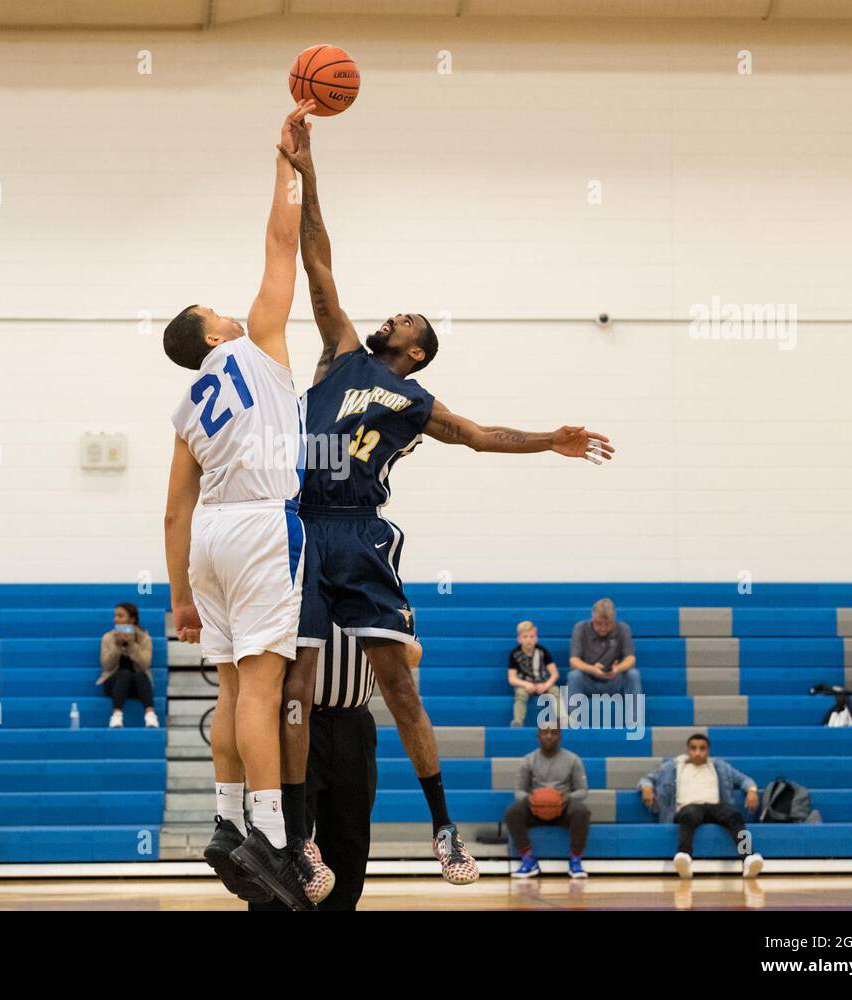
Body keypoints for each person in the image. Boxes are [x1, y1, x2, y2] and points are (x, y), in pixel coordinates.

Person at [275, 104, 614, 886]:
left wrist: (546, 439)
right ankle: (298, 840)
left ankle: (443, 831)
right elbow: (317, 259)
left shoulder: (414, 404)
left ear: (415, 350)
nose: (388, 316)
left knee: (399, 686)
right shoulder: (335, 355)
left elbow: (483, 434)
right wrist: (308, 174)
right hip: (301, 529)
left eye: (404, 319)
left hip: (359, 533)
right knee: (296, 682)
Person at [163, 101, 320, 910]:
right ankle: (272, 839)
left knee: (230, 690)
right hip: (262, 523)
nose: (226, 307)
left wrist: (181, 596)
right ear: (209, 332)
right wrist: (287, 166)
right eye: (211, 309)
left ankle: (226, 821)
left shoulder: (188, 404)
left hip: (211, 539)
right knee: (262, 689)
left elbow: (171, 512)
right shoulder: (255, 344)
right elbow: (281, 243)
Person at [251, 629, 424, 911]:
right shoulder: (295, 585)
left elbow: (414, 655)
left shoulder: (378, 587)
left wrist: (393, 639)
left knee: (349, 846)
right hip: (295, 721)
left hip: (355, 725)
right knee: (282, 844)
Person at [639, 733, 763, 879]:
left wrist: (752, 791)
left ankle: (748, 857)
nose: (698, 753)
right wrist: (646, 788)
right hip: (688, 807)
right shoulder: (672, 767)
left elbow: (744, 780)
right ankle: (684, 856)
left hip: (715, 807)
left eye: (702, 749)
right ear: (687, 750)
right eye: (693, 748)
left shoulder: (720, 766)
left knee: (734, 815)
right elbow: (646, 778)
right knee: (689, 814)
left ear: (708, 750)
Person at [505, 724, 590, 879]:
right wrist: (531, 799)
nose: (549, 736)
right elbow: (519, 792)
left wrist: (567, 797)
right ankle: (528, 860)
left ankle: (576, 861)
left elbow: (583, 791)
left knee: (581, 812)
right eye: (545, 733)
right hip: (535, 808)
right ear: (538, 736)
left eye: (554, 733)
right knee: (513, 812)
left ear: (560, 736)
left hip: (563, 808)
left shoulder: (573, 759)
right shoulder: (528, 760)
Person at [567, 598, 641, 703]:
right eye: (598, 623)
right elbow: (574, 661)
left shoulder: (623, 629)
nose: (603, 628)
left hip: (614, 680)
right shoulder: (580, 628)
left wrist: (617, 669)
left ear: (614, 619)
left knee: (633, 675)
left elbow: (631, 659)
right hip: (588, 680)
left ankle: (635, 719)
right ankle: (573, 719)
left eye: (608, 624)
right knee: (574, 676)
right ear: (592, 616)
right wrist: (591, 669)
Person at [97, 603, 158, 728]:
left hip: (137, 685)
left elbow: (145, 665)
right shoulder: (108, 638)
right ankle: (116, 715)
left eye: (120, 616)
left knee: (141, 675)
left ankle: (150, 715)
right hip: (113, 682)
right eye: (115, 616)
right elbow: (106, 666)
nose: (116, 619)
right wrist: (117, 647)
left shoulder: (144, 638)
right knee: (124, 674)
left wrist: (131, 645)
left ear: (132, 619)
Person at [508, 620, 561, 727]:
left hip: (542, 683)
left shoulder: (542, 651)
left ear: (536, 638)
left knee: (555, 691)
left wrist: (546, 685)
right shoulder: (514, 654)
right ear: (519, 639)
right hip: (525, 685)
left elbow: (555, 673)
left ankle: (562, 718)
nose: (529, 640)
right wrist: (525, 684)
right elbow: (512, 679)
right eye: (525, 637)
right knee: (520, 694)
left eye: (532, 636)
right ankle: (518, 721)